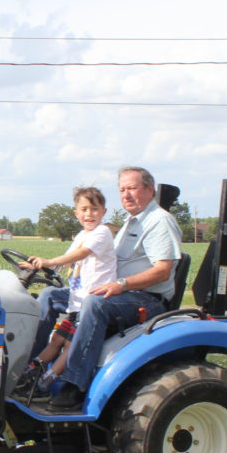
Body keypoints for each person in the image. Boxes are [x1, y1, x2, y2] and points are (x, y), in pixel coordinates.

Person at [31, 166, 182, 411]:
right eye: (122, 190)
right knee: (49, 296)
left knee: (94, 303)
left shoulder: (158, 221)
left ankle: (74, 383)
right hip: (115, 291)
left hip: (145, 298)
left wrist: (122, 284)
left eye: (132, 188)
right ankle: (30, 367)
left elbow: (162, 271)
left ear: (149, 189)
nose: (126, 195)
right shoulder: (130, 223)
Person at [14, 186, 116, 399]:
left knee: (70, 345)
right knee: (57, 340)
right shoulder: (82, 234)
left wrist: (50, 261)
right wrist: (37, 266)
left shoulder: (102, 233)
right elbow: (63, 262)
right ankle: (30, 369)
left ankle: (45, 382)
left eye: (94, 209)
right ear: (76, 213)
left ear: (104, 211)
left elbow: (81, 254)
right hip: (76, 303)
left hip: (91, 304)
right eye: (84, 209)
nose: (89, 214)